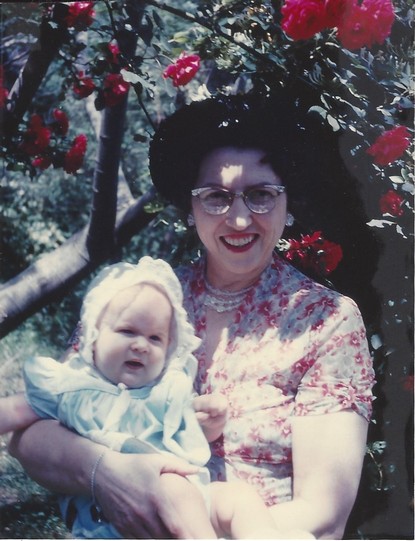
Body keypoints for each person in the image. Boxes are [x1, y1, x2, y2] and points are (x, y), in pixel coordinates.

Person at [10, 89, 377, 539]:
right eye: (216, 197)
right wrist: (104, 472)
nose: (239, 219)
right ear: (190, 209)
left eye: (261, 195)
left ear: (288, 205)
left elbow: (324, 514)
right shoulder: (143, 297)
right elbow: (32, 434)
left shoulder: (325, 320)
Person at [1, 255, 308, 539]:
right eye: (127, 331)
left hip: (190, 502)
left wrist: (209, 421)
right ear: (93, 336)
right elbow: (16, 411)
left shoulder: (165, 391)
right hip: (115, 512)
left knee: (237, 497)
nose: (141, 346)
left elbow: (191, 435)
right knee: (171, 485)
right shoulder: (72, 388)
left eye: (155, 338)